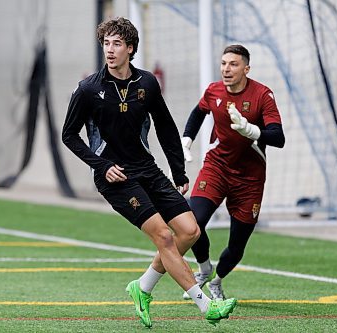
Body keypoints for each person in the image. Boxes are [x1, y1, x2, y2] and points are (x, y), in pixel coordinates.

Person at [61, 17, 237, 327]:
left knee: (190, 231)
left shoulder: (147, 84)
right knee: (165, 237)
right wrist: (102, 166)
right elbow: (69, 135)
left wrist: (179, 171)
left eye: (117, 44)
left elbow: (166, 127)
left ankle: (142, 287)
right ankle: (206, 305)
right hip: (116, 178)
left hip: (148, 169)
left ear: (130, 48)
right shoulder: (89, 88)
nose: (110, 50)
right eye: (106, 43)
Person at [181, 44, 285, 300]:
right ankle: (204, 268)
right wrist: (186, 139)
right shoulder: (214, 90)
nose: (227, 69)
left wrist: (252, 131)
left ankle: (217, 281)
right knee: (193, 224)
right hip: (216, 168)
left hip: (249, 179)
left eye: (233, 64)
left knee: (237, 246)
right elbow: (198, 113)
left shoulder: (263, 95)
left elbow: (279, 137)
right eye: (224, 63)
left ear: (246, 69)